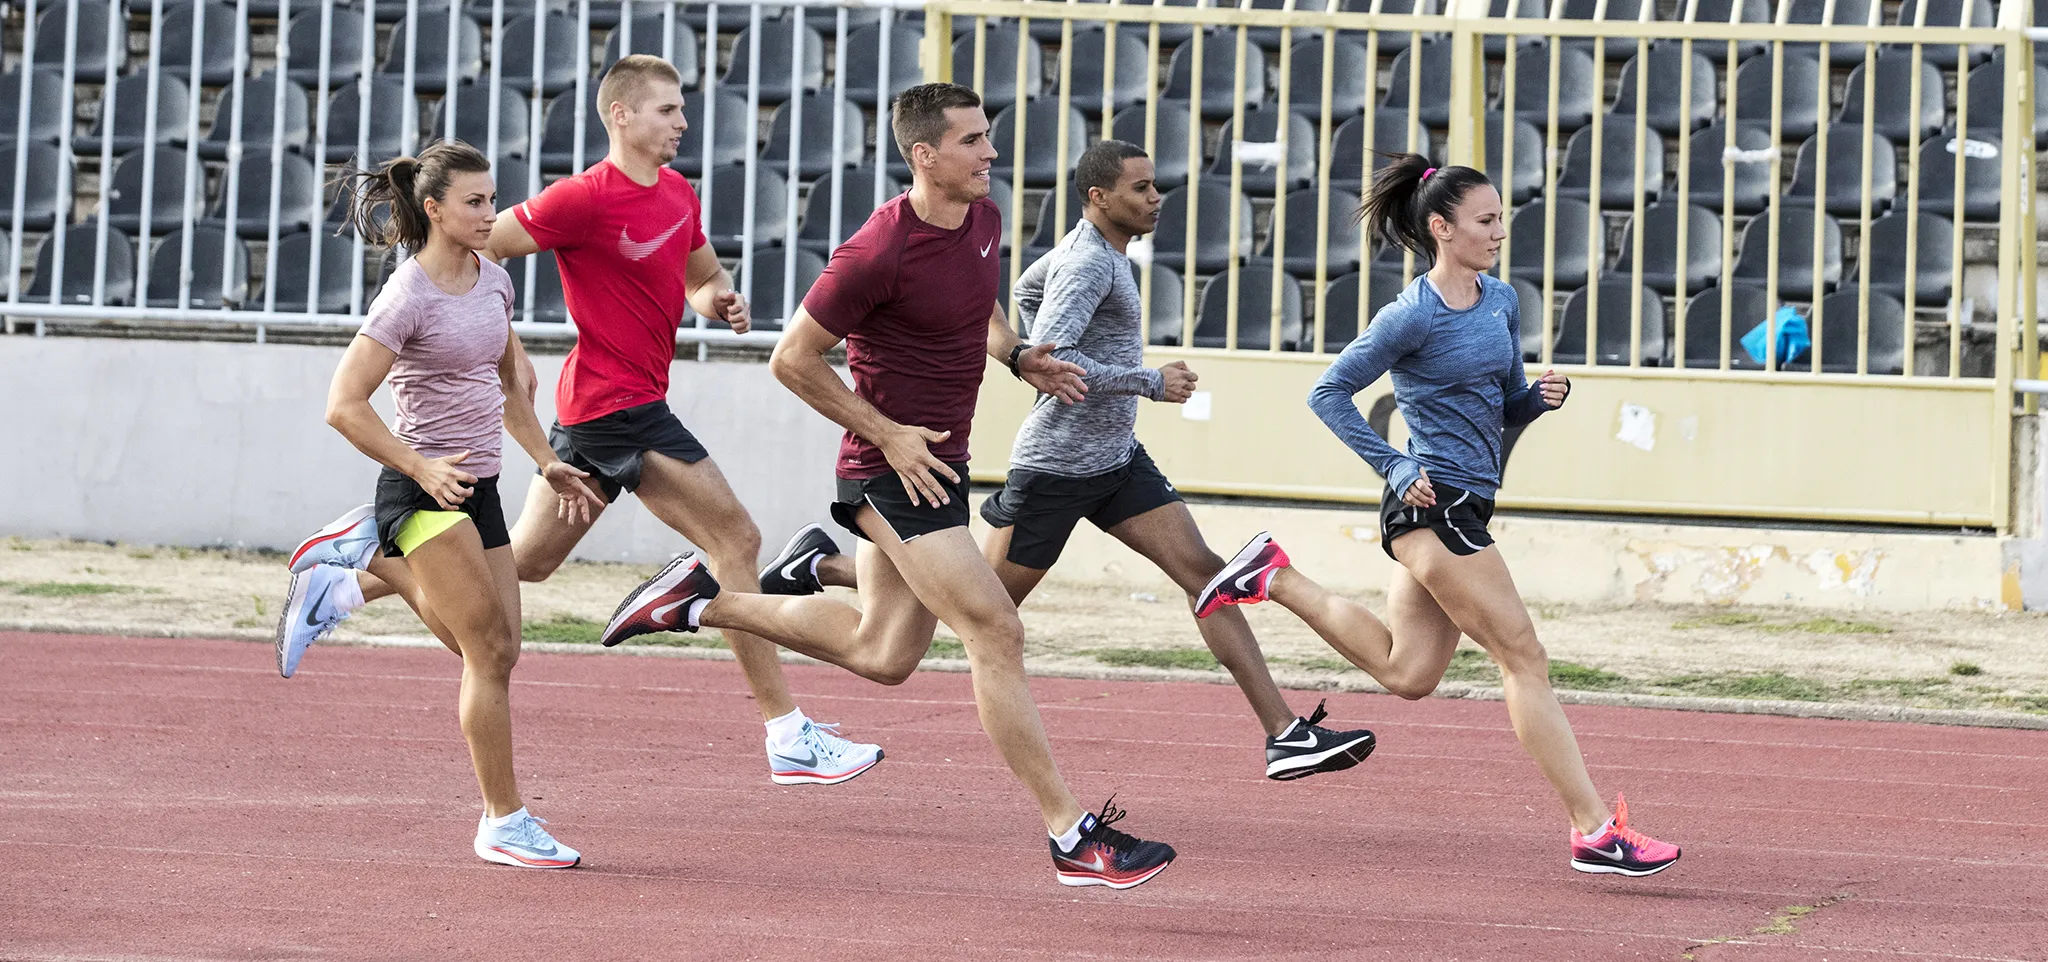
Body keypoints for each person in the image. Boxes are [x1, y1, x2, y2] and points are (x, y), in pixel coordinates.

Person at [598, 83, 1178, 889]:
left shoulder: (981, 216)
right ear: (924, 155)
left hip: (941, 465)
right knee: (996, 631)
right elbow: (791, 359)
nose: (991, 155)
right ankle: (1071, 835)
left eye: (988, 137)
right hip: (889, 471)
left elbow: (980, 311)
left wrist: (1019, 358)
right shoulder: (877, 250)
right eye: (973, 142)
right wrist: (888, 434)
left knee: (885, 654)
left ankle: (698, 600)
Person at [277, 55, 883, 787]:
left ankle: (345, 581)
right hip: (615, 408)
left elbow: (700, 276)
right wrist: (501, 350)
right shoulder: (581, 199)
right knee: (737, 538)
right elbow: (479, 251)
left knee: (528, 562)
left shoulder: (680, 194)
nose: (684, 122)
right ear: (621, 115)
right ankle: (786, 732)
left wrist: (719, 300)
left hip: (605, 415)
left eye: (684, 109)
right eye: (668, 110)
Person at [756, 139, 1376, 781]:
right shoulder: (1088, 266)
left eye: (1155, 184)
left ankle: (1283, 733)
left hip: (1114, 463)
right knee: (976, 612)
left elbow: (1026, 309)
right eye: (1140, 188)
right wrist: (1146, 382)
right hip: (1055, 470)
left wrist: (1023, 346)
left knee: (1208, 578)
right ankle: (826, 567)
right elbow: (1061, 359)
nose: (1156, 197)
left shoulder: (1092, 253)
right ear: (1098, 198)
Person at [1193, 154, 1681, 877]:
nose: (1500, 232)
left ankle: (1274, 575)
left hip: (1465, 501)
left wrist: (1535, 401)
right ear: (1441, 228)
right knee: (1524, 657)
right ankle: (1592, 828)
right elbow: (1328, 394)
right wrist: (1394, 463)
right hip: (1433, 505)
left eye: (1500, 218)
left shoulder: (1500, 300)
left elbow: (1502, 402)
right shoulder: (1409, 315)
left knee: (1408, 672)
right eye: (1486, 221)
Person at [290, 140, 606, 868]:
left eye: (493, 199)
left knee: (502, 650)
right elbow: (344, 405)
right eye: (475, 202)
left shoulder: (494, 281)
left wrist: (548, 462)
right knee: (487, 653)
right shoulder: (407, 294)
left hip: (482, 488)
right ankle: (503, 819)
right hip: (421, 489)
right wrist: (420, 466)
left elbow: (511, 390)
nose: (491, 213)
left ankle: (363, 570)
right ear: (433, 209)